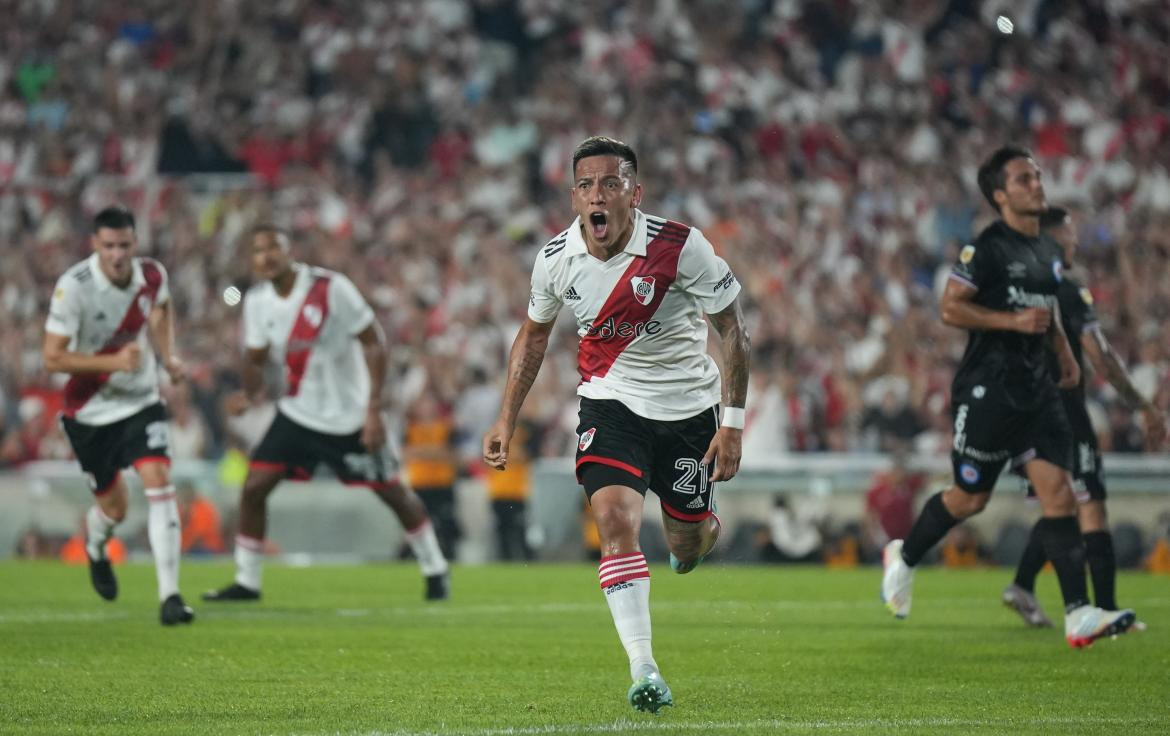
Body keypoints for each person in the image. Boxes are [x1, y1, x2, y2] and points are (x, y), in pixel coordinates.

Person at [482, 136, 750, 711]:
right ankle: (645, 668)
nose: (597, 195)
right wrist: (506, 416)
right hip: (610, 403)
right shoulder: (555, 258)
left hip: (688, 411)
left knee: (687, 539)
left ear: (635, 191)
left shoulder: (682, 247)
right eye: (585, 185)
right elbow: (533, 336)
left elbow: (731, 329)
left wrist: (732, 423)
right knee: (613, 519)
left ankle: (697, 534)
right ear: (574, 197)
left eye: (610, 182)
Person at [880, 146, 1135, 648]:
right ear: (1001, 195)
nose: (1037, 184)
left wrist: (1060, 348)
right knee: (970, 498)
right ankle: (904, 556)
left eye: (1037, 175)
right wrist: (1011, 321)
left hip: (1037, 389)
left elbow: (1048, 311)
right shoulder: (987, 249)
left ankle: (1079, 613)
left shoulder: (1046, 250)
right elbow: (951, 309)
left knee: (1058, 490)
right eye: (1024, 179)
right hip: (988, 390)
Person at [202, 225, 449, 603]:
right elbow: (255, 358)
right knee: (254, 487)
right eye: (257, 251)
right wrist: (249, 395)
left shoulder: (330, 287)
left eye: (273, 247)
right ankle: (247, 582)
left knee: (393, 493)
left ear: (290, 250)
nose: (266, 256)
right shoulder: (256, 302)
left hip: (349, 417)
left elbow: (373, 341)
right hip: (298, 414)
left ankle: (435, 568)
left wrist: (373, 409)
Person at [1003, 207, 1166, 627]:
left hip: (1024, 416)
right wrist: (1145, 406)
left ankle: (1022, 585)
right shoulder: (1068, 293)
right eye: (1071, 234)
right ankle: (1105, 611)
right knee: (1091, 507)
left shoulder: (1016, 290)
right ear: (1055, 240)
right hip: (1065, 416)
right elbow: (1102, 358)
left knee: (1061, 506)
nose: (1076, 241)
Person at [43, 205, 195, 625]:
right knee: (114, 509)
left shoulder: (152, 276)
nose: (117, 254)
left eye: (124, 245)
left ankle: (170, 597)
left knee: (159, 480)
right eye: (108, 246)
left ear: (135, 243)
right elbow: (52, 357)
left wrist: (167, 356)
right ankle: (95, 548)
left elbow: (161, 309)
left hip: (141, 400)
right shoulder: (74, 287)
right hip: (88, 411)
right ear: (95, 244)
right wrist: (110, 364)